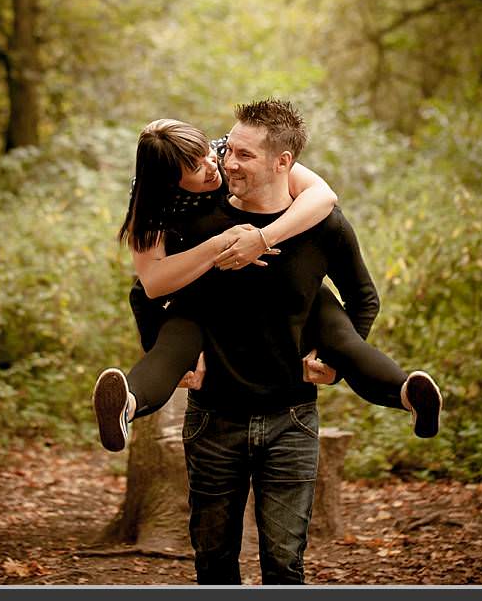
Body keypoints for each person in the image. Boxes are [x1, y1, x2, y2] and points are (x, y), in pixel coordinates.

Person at [91, 119, 440, 454]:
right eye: (197, 169)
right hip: (205, 291)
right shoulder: (151, 204)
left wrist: (262, 239)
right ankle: (127, 403)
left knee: (342, 340)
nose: (214, 167)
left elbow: (323, 194)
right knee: (173, 346)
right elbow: (150, 285)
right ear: (171, 183)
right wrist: (219, 244)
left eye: (207, 155)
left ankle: (409, 393)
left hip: (291, 285)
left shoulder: (227, 153)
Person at [169, 100, 410, 584]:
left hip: (292, 421)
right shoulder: (200, 214)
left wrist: (337, 363)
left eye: (245, 155)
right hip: (212, 419)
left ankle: (404, 393)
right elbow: (152, 291)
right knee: (213, 564)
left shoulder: (325, 225)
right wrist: (171, 352)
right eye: (229, 148)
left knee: (285, 564)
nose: (228, 163)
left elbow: (364, 299)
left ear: (284, 162)